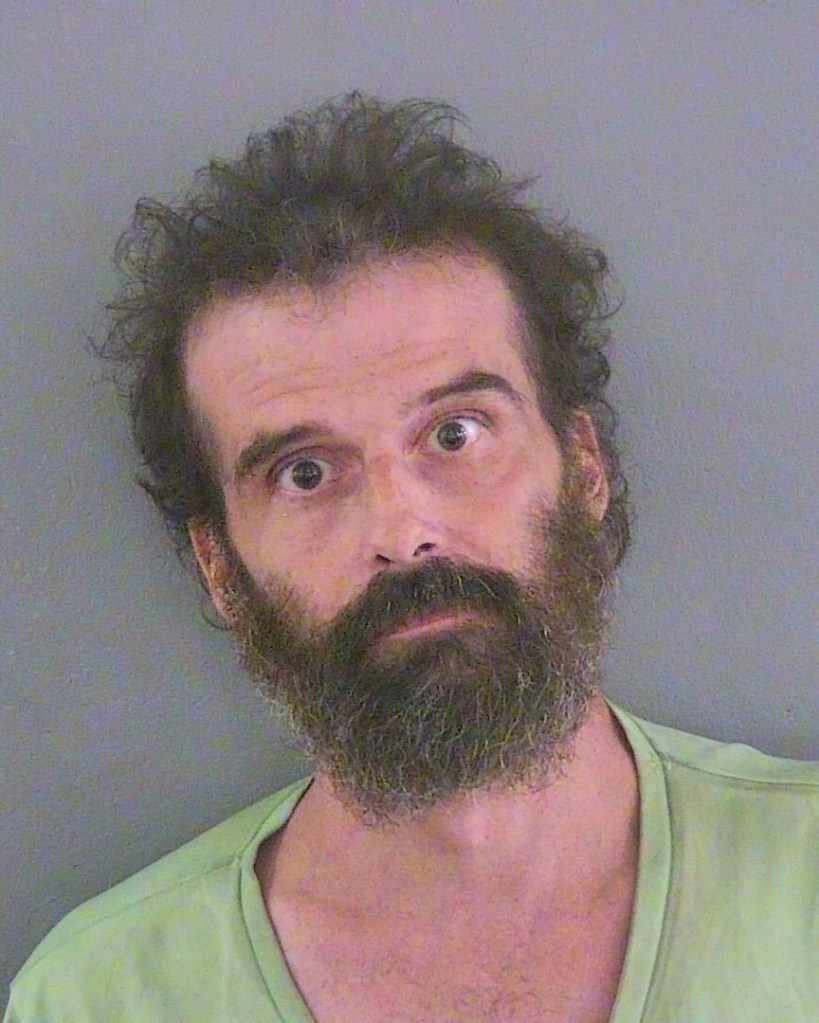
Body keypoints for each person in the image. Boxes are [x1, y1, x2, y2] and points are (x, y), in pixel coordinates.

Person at [6, 94, 817, 1023]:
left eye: (456, 431)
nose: (402, 528)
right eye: (304, 472)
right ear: (219, 566)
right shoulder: (97, 997)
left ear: (585, 466)